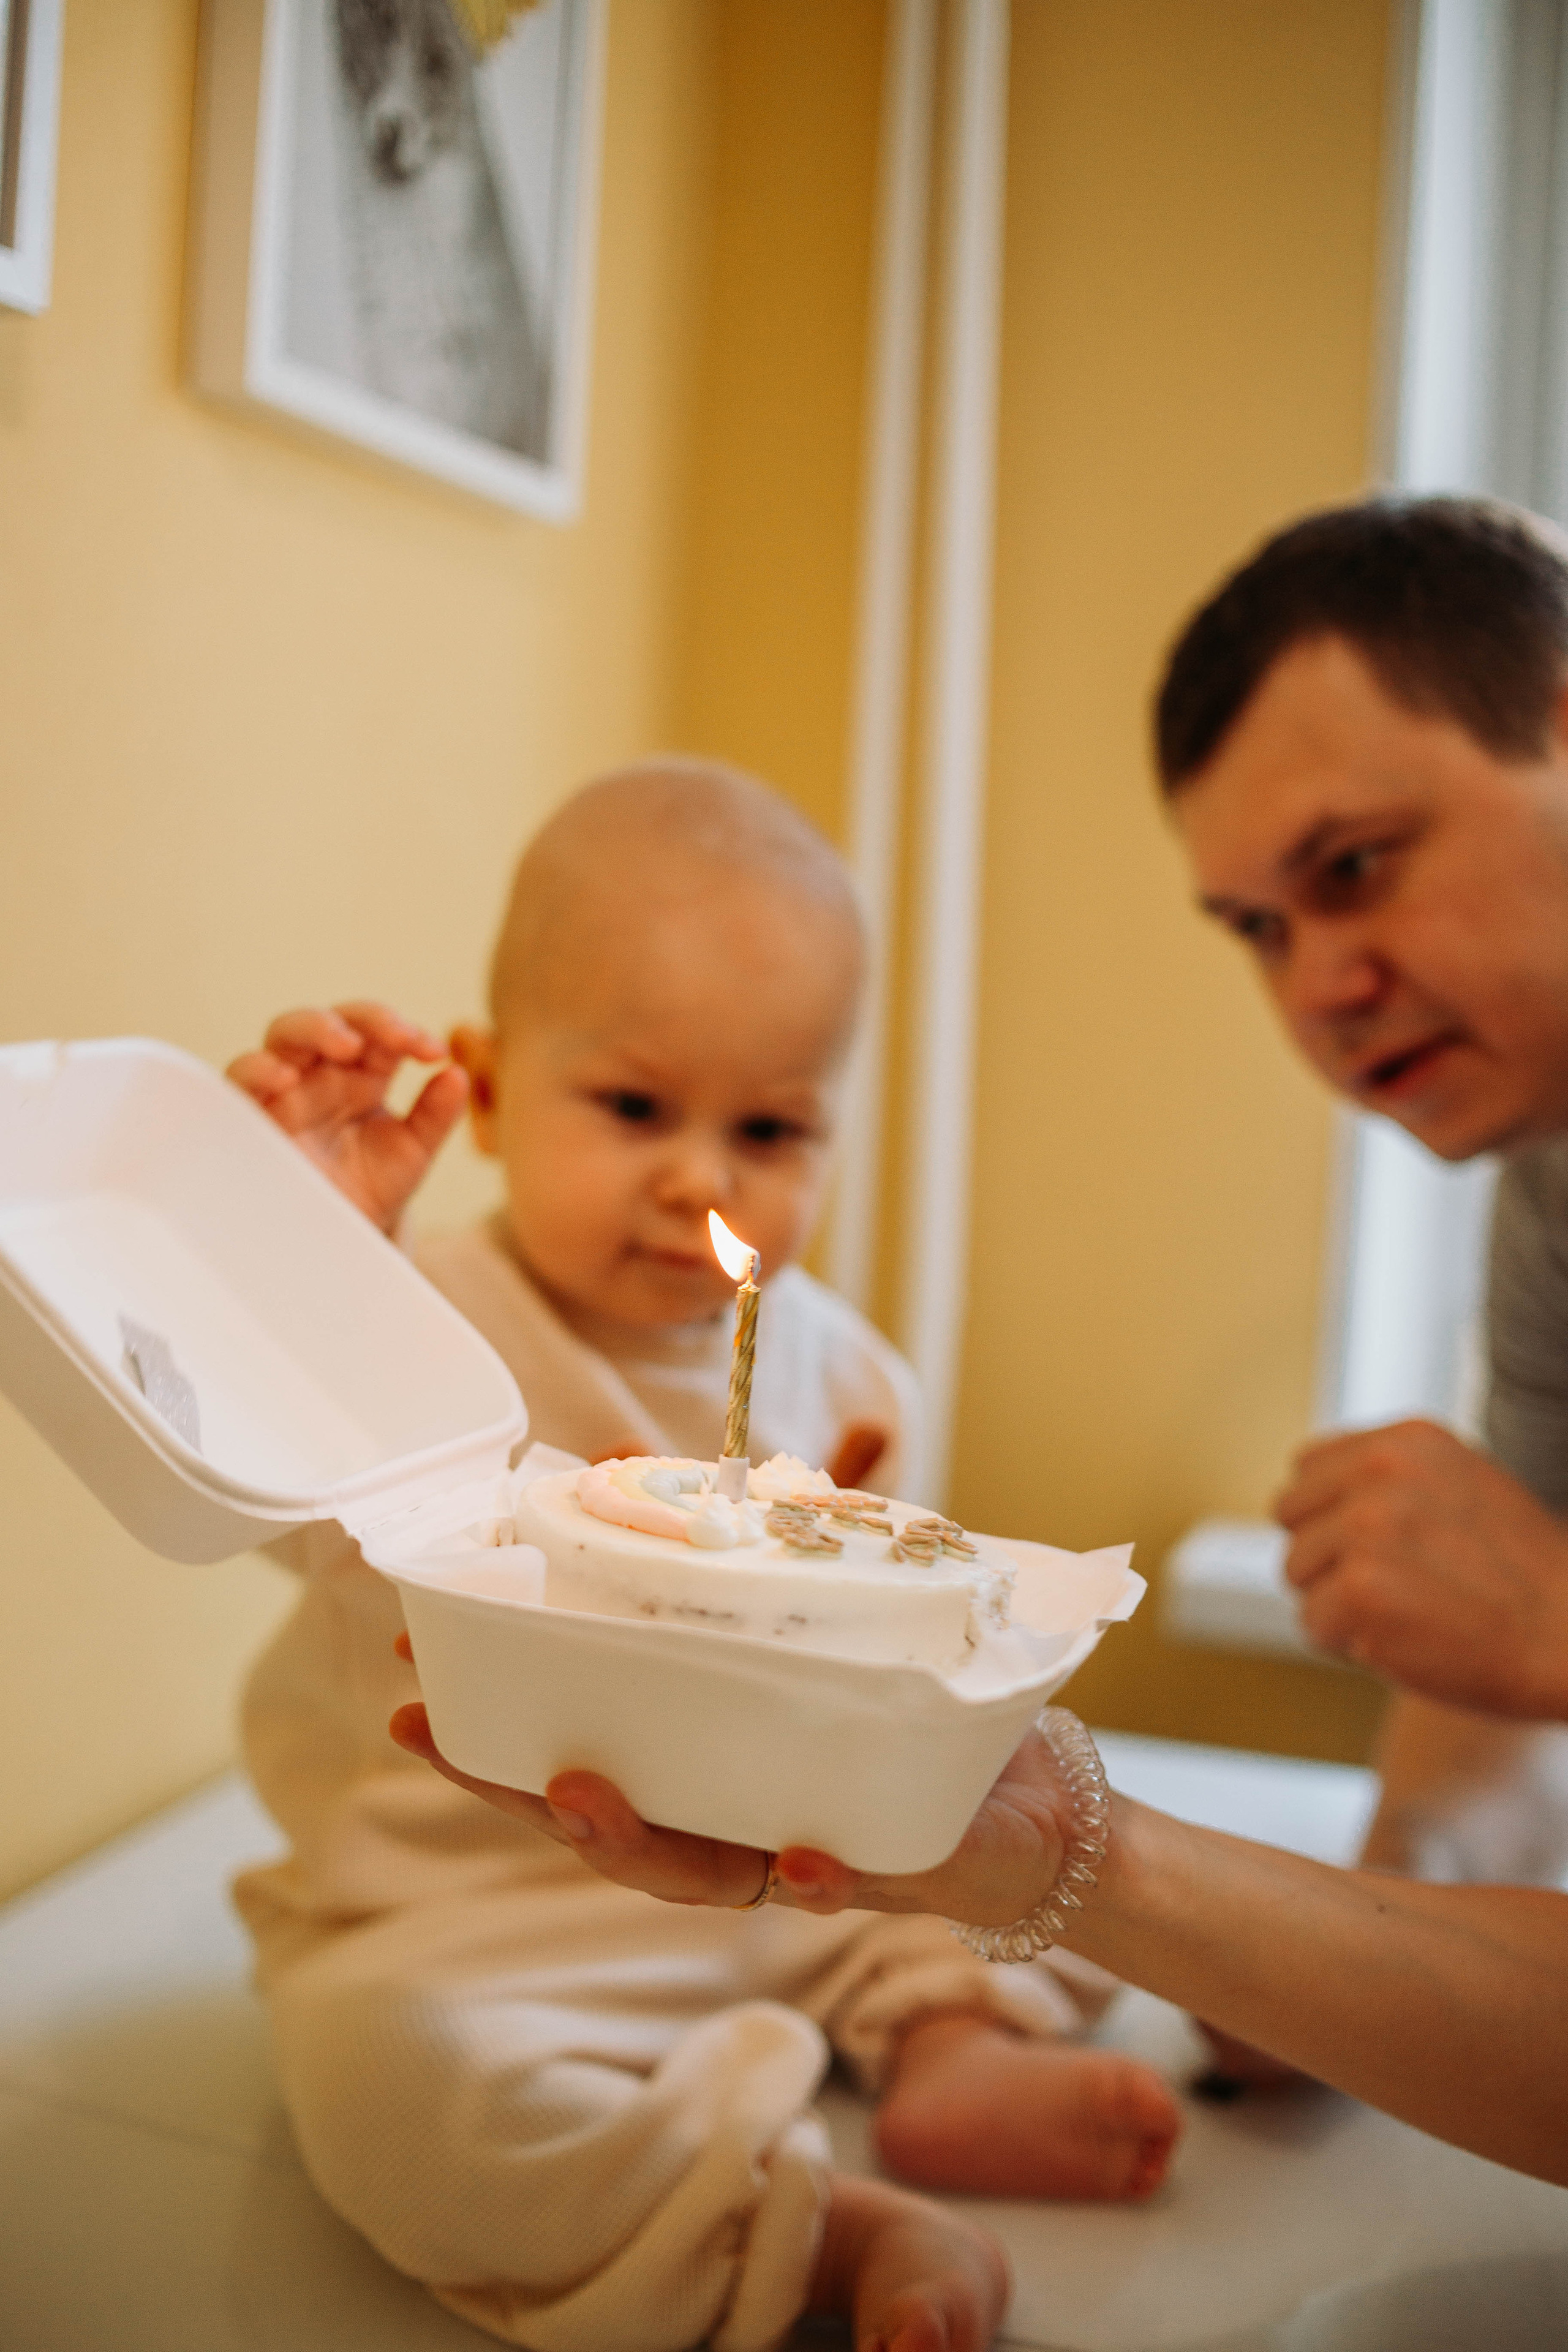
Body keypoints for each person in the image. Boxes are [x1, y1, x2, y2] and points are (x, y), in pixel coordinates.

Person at [389, 502, 1568, 2215]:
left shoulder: (845, 1372)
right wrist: (1377, 1917)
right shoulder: (1544, 1190)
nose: (1321, 985)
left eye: (1357, 867)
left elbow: (1527, 1617)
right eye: (1255, 926)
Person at [227, 761, 1180, 2352]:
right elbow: (280, 1502)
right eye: (634, 1107)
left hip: (788, 1892)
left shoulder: (857, 1387)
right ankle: (809, 2226)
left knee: (1041, 1857)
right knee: (397, 2086)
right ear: (491, 1082)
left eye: (769, 1128)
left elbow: (899, 1680)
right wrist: (316, 1274)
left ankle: (940, 2046)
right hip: (483, 1924)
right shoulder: (415, 1331)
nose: (702, 1180)